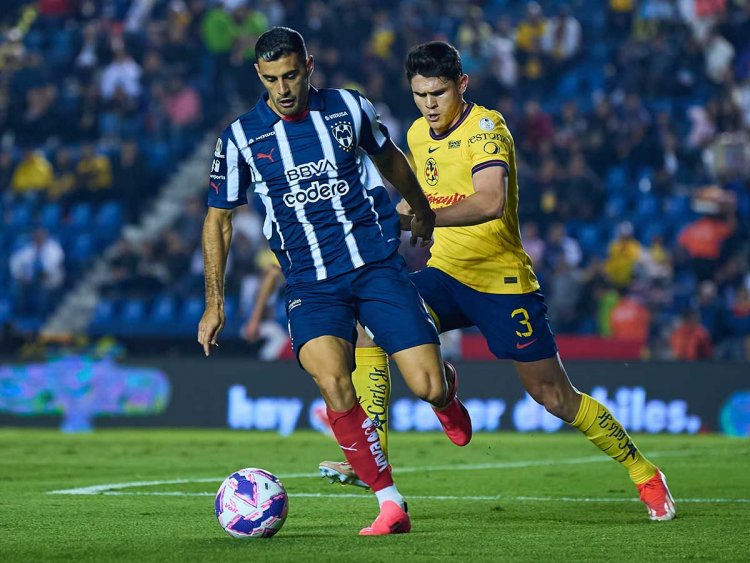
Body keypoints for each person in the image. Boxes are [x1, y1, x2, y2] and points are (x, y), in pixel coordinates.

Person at [319, 41, 676, 522]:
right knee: (370, 325)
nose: (429, 104)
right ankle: (376, 453)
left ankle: (645, 473)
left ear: (461, 85)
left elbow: (488, 201)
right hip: (443, 274)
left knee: (553, 396)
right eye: (420, 93)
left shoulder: (486, 128)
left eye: (439, 92)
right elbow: (420, 203)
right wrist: (383, 216)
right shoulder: (417, 135)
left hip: (501, 280)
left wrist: (421, 215)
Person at [197, 27, 472, 536]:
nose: (283, 89)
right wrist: (214, 303)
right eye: (272, 78)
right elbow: (219, 219)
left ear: (309, 67)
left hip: (374, 267)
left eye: (292, 75)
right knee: (332, 378)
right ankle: (390, 504)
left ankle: (447, 394)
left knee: (426, 385)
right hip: (309, 283)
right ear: (259, 76)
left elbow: (389, 158)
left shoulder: (348, 108)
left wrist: (424, 211)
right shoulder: (240, 138)